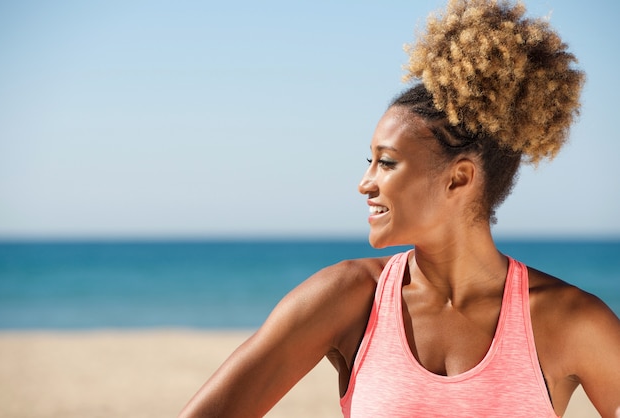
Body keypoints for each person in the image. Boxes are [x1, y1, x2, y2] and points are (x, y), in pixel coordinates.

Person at [179, 0, 620, 416]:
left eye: (386, 162)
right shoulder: (347, 298)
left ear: (459, 178)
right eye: (368, 161)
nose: (365, 182)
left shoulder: (573, 321)